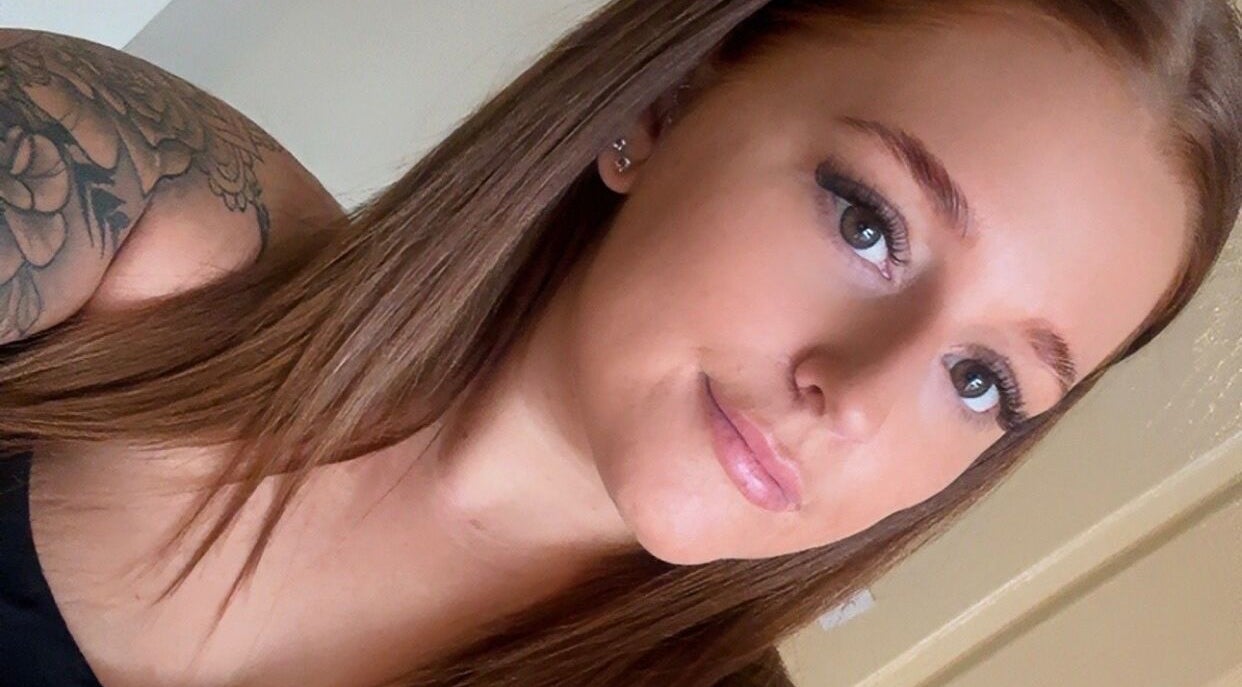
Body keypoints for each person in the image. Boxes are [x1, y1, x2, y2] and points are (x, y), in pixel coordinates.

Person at [0, 1, 1238, 685]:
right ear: (666, 98)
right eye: (870, 224)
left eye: (981, 381)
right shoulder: (119, 195)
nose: (854, 400)